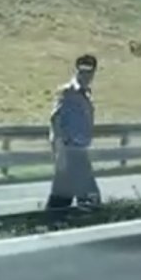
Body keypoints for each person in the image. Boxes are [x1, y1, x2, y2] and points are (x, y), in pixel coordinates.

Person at [47, 54, 101, 210]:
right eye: (82, 72)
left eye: (89, 72)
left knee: (61, 197)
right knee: (91, 197)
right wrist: (59, 152)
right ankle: (91, 226)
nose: (86, 76)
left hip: (79, 150)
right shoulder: (67, 92)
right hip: (70, 150)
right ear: (77, 71)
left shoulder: (86, 94)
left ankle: (51, 224)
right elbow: (55, 121)